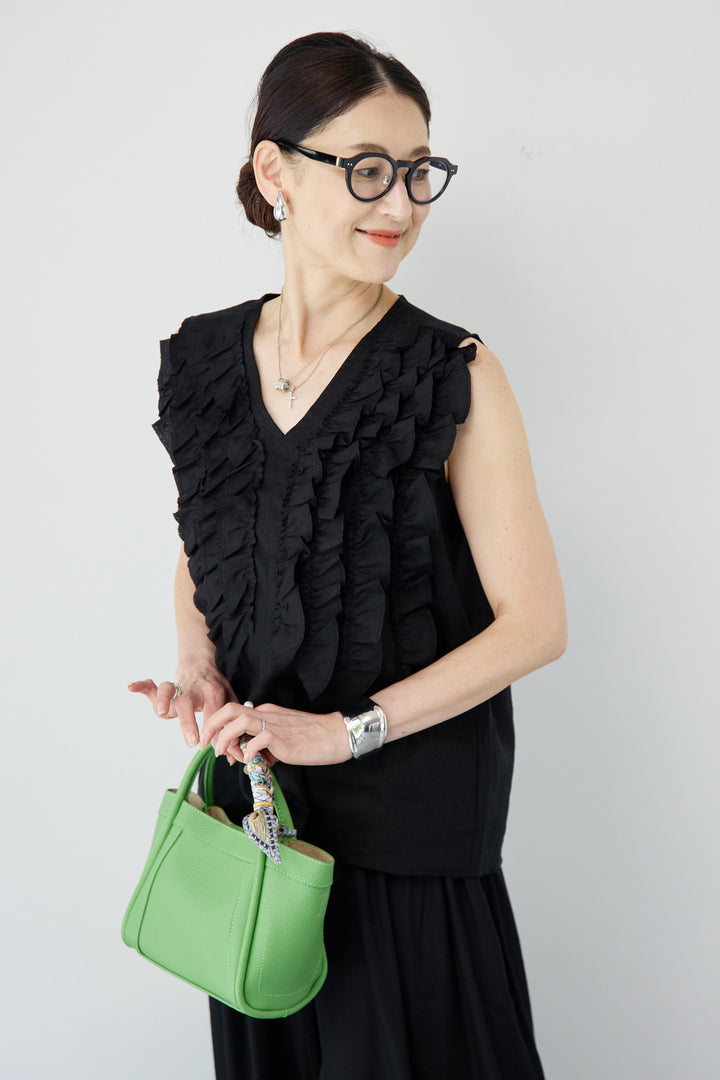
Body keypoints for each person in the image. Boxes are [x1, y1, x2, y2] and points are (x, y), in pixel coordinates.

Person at [129, 31, 566, 1080]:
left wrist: (342, 732)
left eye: (419, 171)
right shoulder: (201, 360)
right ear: (274, 170)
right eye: (367, 168)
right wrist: (198, 662)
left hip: (412, 841)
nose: (400, 204)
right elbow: (208, 540)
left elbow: (537, 626)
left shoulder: (453, 371)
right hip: (258, 835)